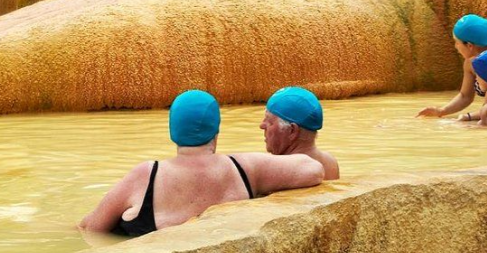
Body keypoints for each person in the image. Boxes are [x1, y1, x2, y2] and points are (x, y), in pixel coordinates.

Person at [79, 90, 324, 237]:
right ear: (216, 131)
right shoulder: (244, 167)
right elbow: (313, 169)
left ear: (173, 131)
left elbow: (91, 229)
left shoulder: (146, 175)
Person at [415, 14, 487, 121]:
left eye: (456, 42)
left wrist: (468, 117)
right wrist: (441, 111)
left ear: (469, 46)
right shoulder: (470, 62)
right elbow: (465, 96)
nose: (455, 47)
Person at [260, 87, 339, 181]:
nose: (262, 125)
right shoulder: (330, 162)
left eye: (269, 122)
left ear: (292, 131)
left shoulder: (277, 171)